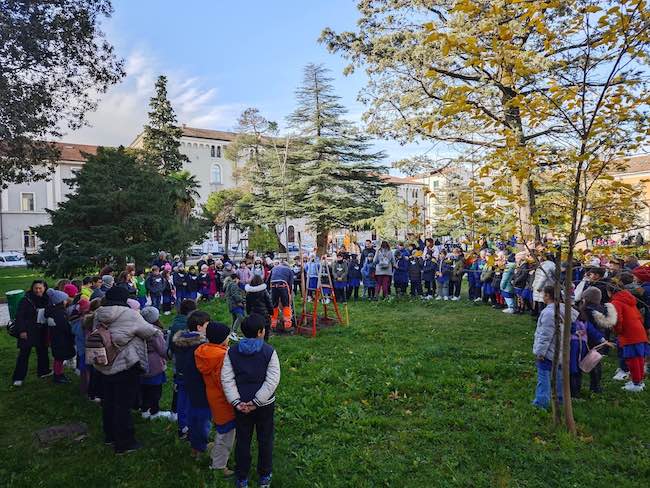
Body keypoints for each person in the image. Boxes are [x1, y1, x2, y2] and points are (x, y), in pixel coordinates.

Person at [93, 286, 162, 454]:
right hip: (125, 363)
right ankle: (124, 443)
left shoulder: (99, 313)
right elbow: (148, 331)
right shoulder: (129, 314)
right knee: (123, 404)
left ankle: (110, 435)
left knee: (108, 401)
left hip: (104, 361)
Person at [222, 314, 281, 488]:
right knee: (265, 439)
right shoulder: (269, 352)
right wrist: (256, 402)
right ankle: (264, 475)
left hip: (241, 404)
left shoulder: (231, 352)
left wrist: (236, 401)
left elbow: (227, 379)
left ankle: (242, 477)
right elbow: (272, 381)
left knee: (243, 439)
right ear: (261, 332)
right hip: (264, 404)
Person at [195, 322, 236, 477]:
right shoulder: (221, 357)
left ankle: (215, 449)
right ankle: (219, 466)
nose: (229, 339)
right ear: (221, 339)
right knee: (227, 433)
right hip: (223, 400)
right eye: (227, 337)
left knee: (221, 426)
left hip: (212, 396)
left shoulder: (204, 351)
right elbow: (224, 382)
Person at [171, 310, 211, 452]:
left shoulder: (179, 340)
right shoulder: (201, 344)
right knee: (198, 408)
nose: (209, 327)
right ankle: (199, 439)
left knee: (183, 402)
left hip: (181, 376)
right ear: (199, 327)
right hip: (196, 380)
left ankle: (183, 428)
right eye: (207, 324)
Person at [606, 279, 650, 392]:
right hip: (639, 330)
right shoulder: (629, 299)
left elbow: (617, 320)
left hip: (630, 333)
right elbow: (639, 316)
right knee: (639, 358)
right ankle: (639, 381)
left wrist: (618, 331)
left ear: (610, 291)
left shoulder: (615, 302)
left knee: (633, 359)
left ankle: (636, 384)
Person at [532, 286, 571, 409]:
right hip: (559, 350)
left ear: (548, 296)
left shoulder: (549, 313)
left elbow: (545, 335)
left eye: (544, 294)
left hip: (549, 351)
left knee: (544, 376)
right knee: (559, 375)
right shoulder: (564, 310)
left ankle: (541, 402)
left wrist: (540, 352)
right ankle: (560, 398)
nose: (542, 297)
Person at [11, 280, 51, 386]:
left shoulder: (47, 299)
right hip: (28, 331)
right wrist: (22, 331)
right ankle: (18, 378)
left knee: (43, 352)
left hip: (41, 330)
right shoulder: (26, 300)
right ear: (32, 289)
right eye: (36, 288)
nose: (38, 290)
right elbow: (19, 316)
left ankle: (43, 371)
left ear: (44, 288)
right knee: (24, 354)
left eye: (40, 288)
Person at [167, 300, 198, 424]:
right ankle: (179, 413)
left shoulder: (176, 321)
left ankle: (175, 412)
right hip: (183, 358)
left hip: (176, 356)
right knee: (182, 387)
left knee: (179, 385)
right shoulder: (186, 324)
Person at [140, 307, 170, 419]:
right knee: (155, 389)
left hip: (140, 360)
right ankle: (154, 411)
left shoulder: (137, 328)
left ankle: (144, 409)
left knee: (144, 388)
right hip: (154, 364)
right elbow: (162, 350)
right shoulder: (155, 332)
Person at [45, 288, 76, 384]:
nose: (67, 301)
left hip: (56, 339)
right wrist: (72, 334)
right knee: (59, 358)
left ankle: (59, 374)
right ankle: (58, 376)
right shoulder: (60, 314)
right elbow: (65, 328)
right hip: (61, 340)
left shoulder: (53, 311)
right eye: (65, 300)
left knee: (58, 358)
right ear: (61, 301)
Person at [245, 275, 273, 341]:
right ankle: (264, 344)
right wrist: (271, 312)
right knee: (265, 329)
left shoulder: (249, 292)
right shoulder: (264, 291)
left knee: (255, 330)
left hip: (253, 313)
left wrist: (248, 313)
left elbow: (248, 305)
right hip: (264, 314)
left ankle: (255, 344)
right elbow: (269, 302)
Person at [269, 261, 294, 332]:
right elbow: (290, 283)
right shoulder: (289, 270)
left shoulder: (274, 268)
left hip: (273, 285)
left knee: (274, 305)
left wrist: (268, 291)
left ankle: (273, 324)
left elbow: (268, 281)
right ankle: (287, 325)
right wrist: (290, 295)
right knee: (286, 305)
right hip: (283, 285)